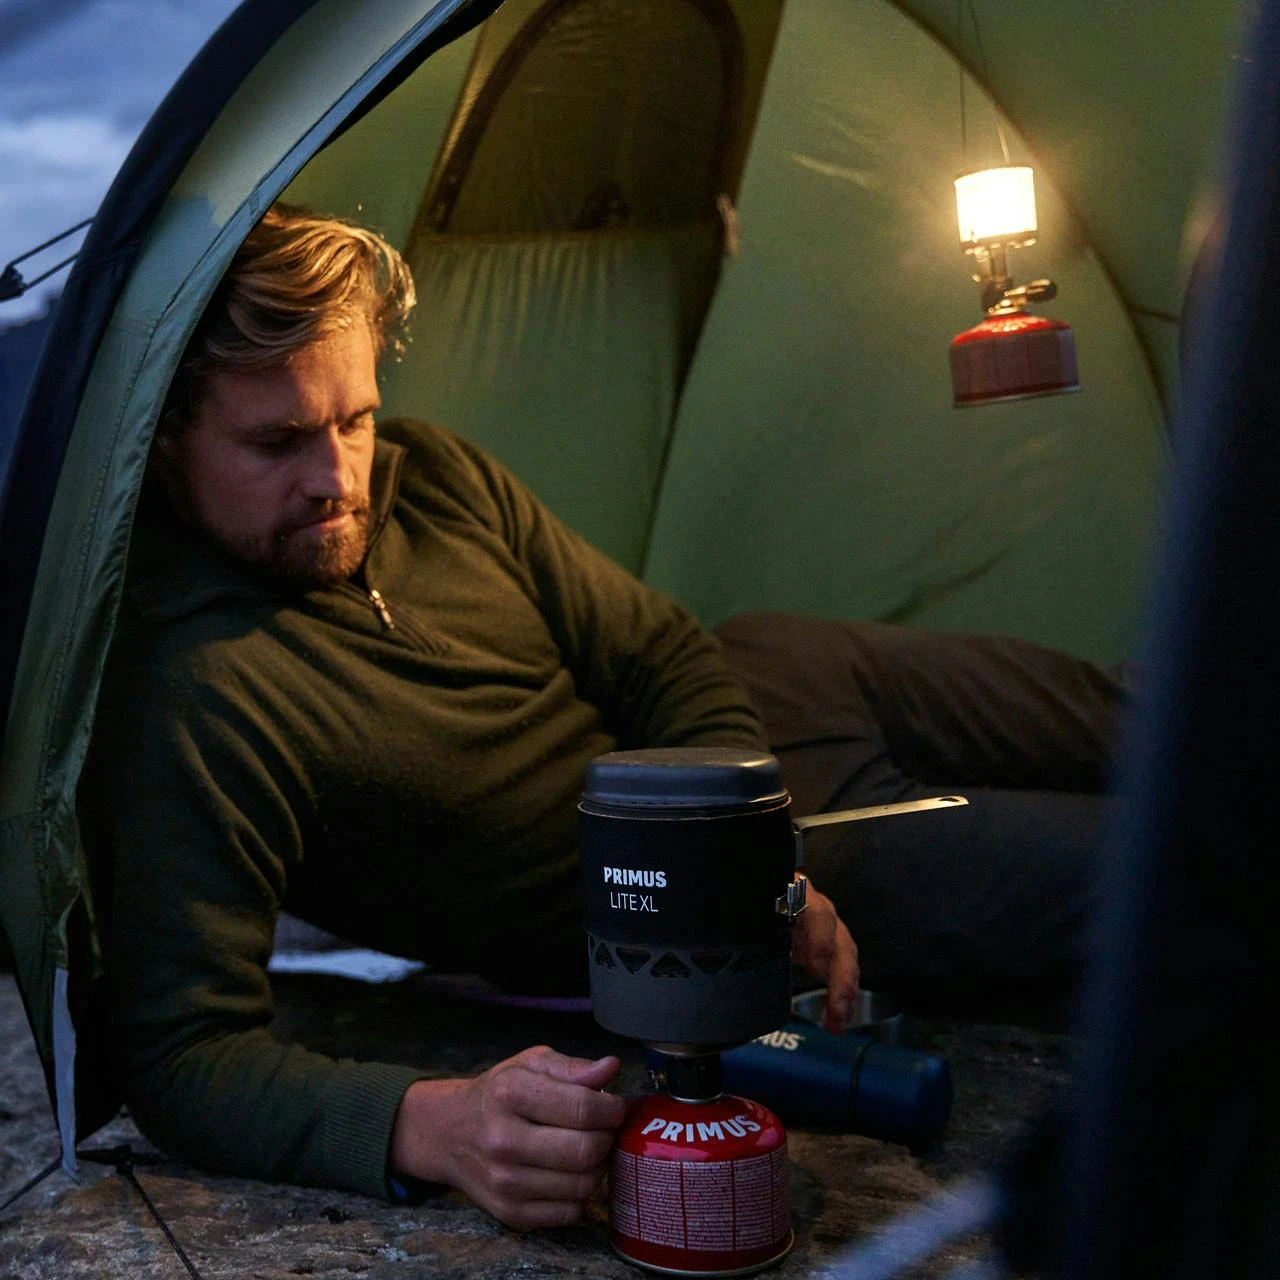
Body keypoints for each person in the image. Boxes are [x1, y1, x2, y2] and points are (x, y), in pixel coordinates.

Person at [83, 204, 1127, 1229]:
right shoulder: (199, 691)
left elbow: (659, 649)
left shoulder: (433, 474)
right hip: (724, 892)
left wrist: (748, 843)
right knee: (1151, 856)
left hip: (761, 710)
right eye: (277, 441)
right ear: (164, 441)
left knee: (1148, 714)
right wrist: (437, 1125)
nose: (337, 477)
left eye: (353, 418)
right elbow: (182, 1056)